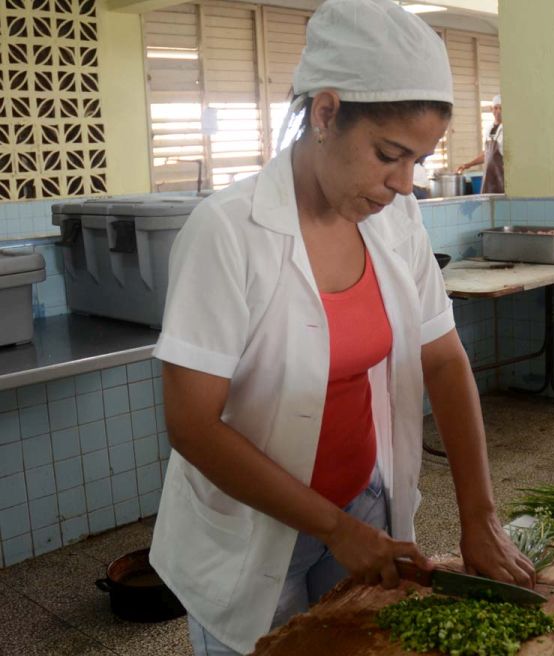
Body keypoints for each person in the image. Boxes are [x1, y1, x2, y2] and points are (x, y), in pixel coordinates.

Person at [148, 1, 534, 654]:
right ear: (325, 114)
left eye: (419, 159)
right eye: (390, 155)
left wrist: (479, 515)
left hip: (364, 502)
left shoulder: (394, 219)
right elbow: (191, 423)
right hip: (253, 528)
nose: (406, 184)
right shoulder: (227, 233)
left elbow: (442, 360)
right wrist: (329, 527)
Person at [455, 94, 504, 193]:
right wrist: (467, 165)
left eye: (501, 108)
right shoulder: (488, 129)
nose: (498, 111)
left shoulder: (506, 129)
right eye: (495, 108)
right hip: (488, 179)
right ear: (491, 109)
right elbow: (486, 154)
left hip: (502, 178)